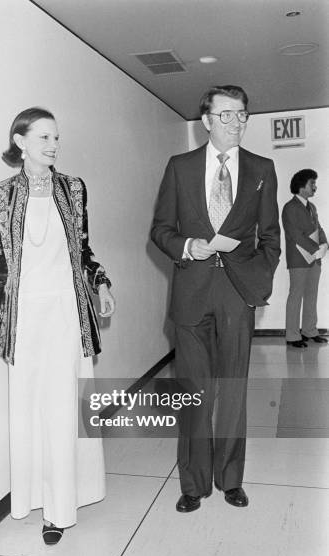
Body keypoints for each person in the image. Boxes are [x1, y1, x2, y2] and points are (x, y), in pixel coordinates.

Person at [0, 107, 115, 545]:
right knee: (30, 410)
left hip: (67, 313)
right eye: (43, 137)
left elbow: (84, 250)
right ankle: (38, 496)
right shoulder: (1, 195)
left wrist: (101, 284)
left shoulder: (73, 189)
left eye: (56, 137)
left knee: (63, 407)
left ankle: (60, 509)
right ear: (20, 142)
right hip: (23, 318)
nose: (53, 144)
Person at [151, 85, 280, 513]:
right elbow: (161, 229)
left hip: (237, 294)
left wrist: (257, 280)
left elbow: (271, 237)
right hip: (192, 292)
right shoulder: (180, 167)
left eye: (242, 115)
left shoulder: (263, 167)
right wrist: (188, 246)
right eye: (226, 115)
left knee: (233, 391)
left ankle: (230, 480)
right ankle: (193, 484)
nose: (236, 123)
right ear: (206, 121)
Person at [282, 169, 328, 348]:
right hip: (299, 259)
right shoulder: (289, 207)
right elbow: (295, 235)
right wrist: (316, 249)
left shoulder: (312, 207)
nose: (315, 187)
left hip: (315, 258)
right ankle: (292, 335)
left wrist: (324, 245)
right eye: (312, 184)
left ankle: (310, 330)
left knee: (311, 295)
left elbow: (320, 228)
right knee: (296, 296)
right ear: (301, 186)